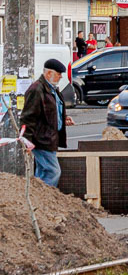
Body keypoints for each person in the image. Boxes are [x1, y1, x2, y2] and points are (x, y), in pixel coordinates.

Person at [19, 59, 75, 187]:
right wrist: (26, 141)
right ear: (49, 73)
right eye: (59, 73)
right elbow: (28, 117)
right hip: (42, 140)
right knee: (52, 172)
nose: (61, 76)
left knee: (43, 173)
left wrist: (63, 117)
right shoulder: (37, 89)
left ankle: (37, 199)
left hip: (49, 139)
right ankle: (45, 200)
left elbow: (52, 109)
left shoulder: (52, 89)